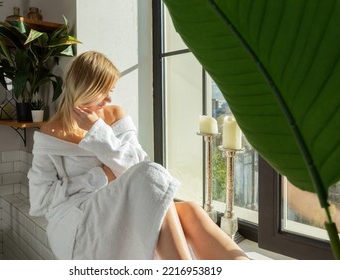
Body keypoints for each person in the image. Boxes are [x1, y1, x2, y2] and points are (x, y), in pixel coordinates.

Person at [27, 51, 248, 260]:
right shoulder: (51, 134)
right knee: (155, 184)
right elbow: (40, 200)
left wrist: (99, 133)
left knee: (189, 209)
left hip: (122, 205)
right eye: (104, 92)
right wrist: (100, 176)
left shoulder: (114, 116)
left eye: (111, 91)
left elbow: (140, 168)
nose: (108, 100)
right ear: (85, 88)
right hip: (76, 220)